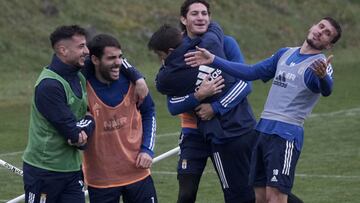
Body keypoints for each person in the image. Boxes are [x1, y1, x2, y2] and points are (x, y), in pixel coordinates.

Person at [184, 17, 342, 203]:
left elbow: (325, 89)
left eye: (327, 33)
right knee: (259, 197)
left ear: (329, 45)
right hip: (262, 131)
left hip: (284, 135)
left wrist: (323, 77)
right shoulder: (285, 53)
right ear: (313, 26)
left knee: (275, 198)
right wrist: (213, 59)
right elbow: (251, 72)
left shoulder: (319, 65)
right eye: (321, 26)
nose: (320, 32)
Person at [149, 0, 258, 201]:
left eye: (204, 13)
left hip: (229, 129)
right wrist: (198, 96)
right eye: (194, 14)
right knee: (186, 193)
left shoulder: (226, 43)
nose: (200, 17)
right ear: (183, 19)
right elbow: (173, 105)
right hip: (194, 132)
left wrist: (215, 107)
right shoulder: (173, 55)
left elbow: (245, 84)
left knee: (257, 188)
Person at [22, 25, 95, 203]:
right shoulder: (49, 86)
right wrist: (84, 127)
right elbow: (74, 134)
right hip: (44, 171)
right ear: (63, 50)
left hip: (71, 170)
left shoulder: (78, 76)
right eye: (81, 46)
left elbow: (89, 115)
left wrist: (138, 79)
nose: (86, 51)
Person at [82, 34, 157, 203]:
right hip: (101, 180)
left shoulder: (134, 84)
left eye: (120, 57)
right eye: (111, 58)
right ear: (94, 59)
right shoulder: (81, 87)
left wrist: (147, 149)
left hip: (138, 172)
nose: (117, 62)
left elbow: (149, 112)